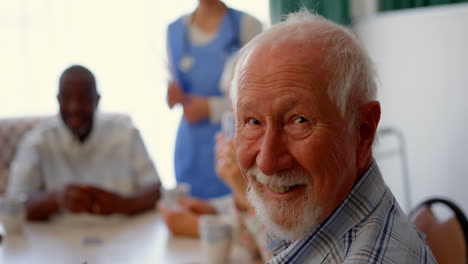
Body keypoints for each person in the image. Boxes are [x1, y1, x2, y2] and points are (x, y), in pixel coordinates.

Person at [230, 10, 437, 263]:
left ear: (363, 132)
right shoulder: (318, 223)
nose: (267, 162)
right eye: (253, 122)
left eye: (299, 121)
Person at [7, 65, 161, 221]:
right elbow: (12, 204)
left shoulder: (127, 136)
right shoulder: (37, 142)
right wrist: (57, 200)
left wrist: (122, 204)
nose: (74, 107)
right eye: (67, 98)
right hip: (56, 240)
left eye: (83, 98)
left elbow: (156, 190)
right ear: (58, 100)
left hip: (125, 237)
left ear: (97, 100)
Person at [166, 0, 262, 199]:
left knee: (242, 211)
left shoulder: (247, 25)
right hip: (191, 148)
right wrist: (171, 96)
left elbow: (260, 97)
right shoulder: (174, 31)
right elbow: (176, 88)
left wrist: (211, 108)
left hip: (234, 142)